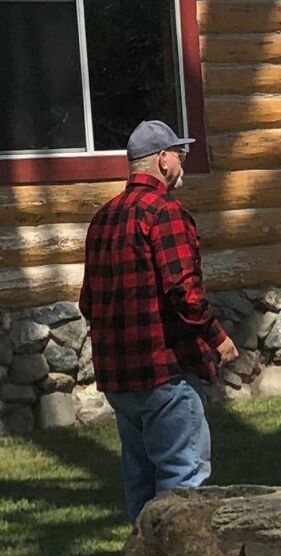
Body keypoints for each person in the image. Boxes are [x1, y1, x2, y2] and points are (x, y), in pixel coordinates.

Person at [79, 120, 239, 523]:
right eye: (180, 155)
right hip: (164, 371)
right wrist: (218, 338)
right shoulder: (165, 213)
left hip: (118, 378)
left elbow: (87, 302)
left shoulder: (103, 219)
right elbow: (184, 292)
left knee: (139, 479)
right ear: (163, 160)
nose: (183, 164)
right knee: (183, 478)